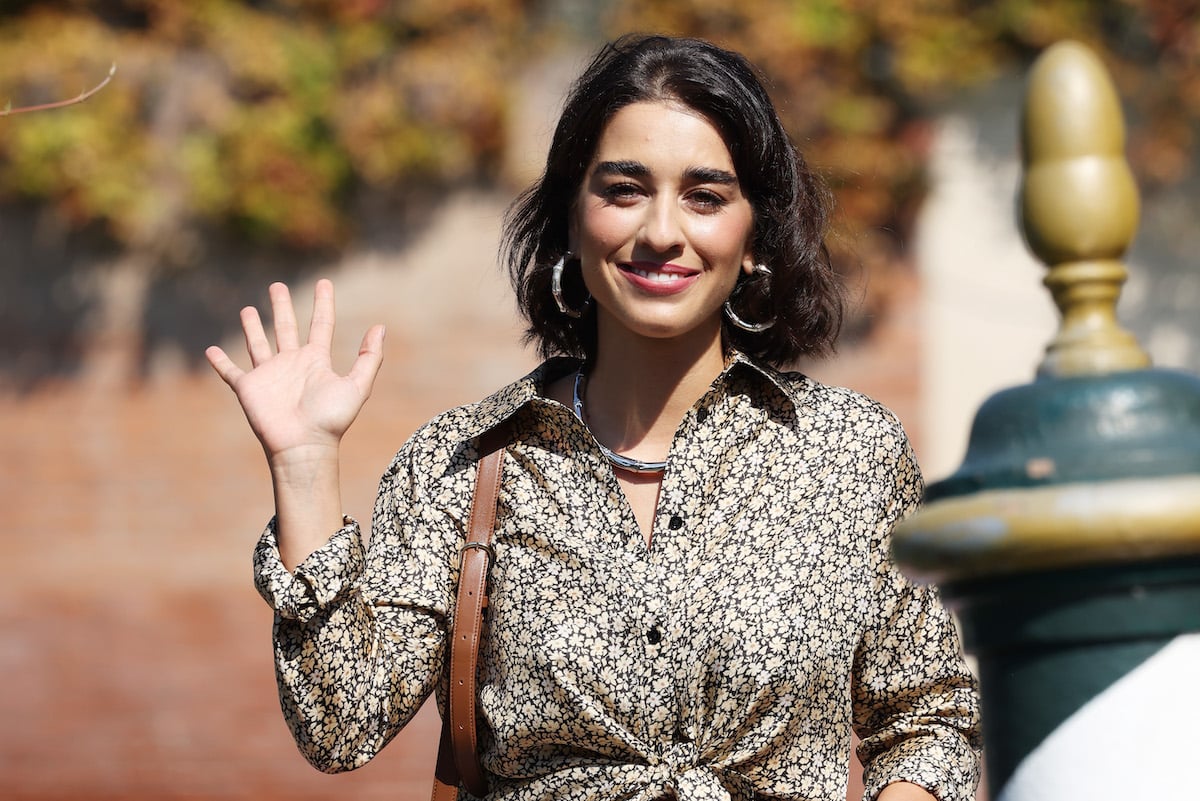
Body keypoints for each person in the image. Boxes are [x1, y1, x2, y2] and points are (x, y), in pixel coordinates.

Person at [206, 34, 982, 801]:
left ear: (754, 239)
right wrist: (304, 464)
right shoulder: (465, 461)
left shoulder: (849, 454)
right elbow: (340, 724)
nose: (661, 231)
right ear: (572, 220)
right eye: (624, 189)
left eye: (706, 196)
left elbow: (927, 713)